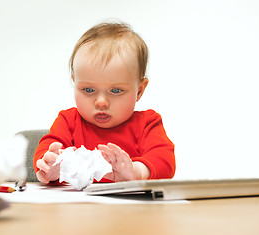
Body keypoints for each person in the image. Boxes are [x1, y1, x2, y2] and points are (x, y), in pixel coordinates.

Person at [34, 21, 175, 184]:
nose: (101, 102)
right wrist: (50, 168)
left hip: (130, 208)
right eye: (88, 90)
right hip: (76, 208)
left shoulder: (147, 124)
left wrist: (137, 172)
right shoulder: (68, 121)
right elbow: (47, 148)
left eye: (115, 91)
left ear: (139, 91)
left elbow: (165, 160)